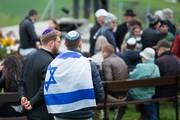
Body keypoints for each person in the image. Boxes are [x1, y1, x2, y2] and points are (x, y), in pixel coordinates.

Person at [44, 30, 104, 120]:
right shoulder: (88, 64)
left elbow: (48, 88)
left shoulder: (53, 64)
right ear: (80, 43)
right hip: (84, 113)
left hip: (61, 113)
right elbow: (99, 93)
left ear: (65, 43)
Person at [18, 28, 61, 120]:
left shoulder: (28, 57)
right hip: (44, 113)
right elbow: (46, 87)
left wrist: (22, 97)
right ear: (51, 43)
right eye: (58, 42)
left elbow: (21, 81)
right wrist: (31, 102)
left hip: (29, 113)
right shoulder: (50, 61)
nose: (60, 45)